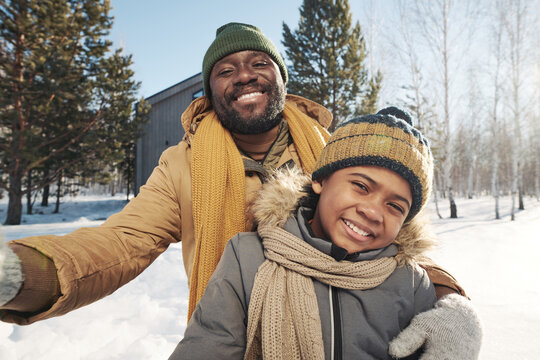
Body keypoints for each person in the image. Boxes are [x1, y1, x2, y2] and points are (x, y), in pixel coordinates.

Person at [0, 22, 478, 356]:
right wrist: (21, 274)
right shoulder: (181, 166)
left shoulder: (335, 155)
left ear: (280, 80)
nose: (244, 74)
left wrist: (451, 303)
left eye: (258, 62)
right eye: (225, 70)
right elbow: (119, 245)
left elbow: (393, 244)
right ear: (210, 92)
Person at [168, 108, 482, 360]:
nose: (372, 212)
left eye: (395, 206)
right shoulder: (247, 257)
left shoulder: (411, 282)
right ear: (321, 181)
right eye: (361, 186)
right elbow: (209, 343)